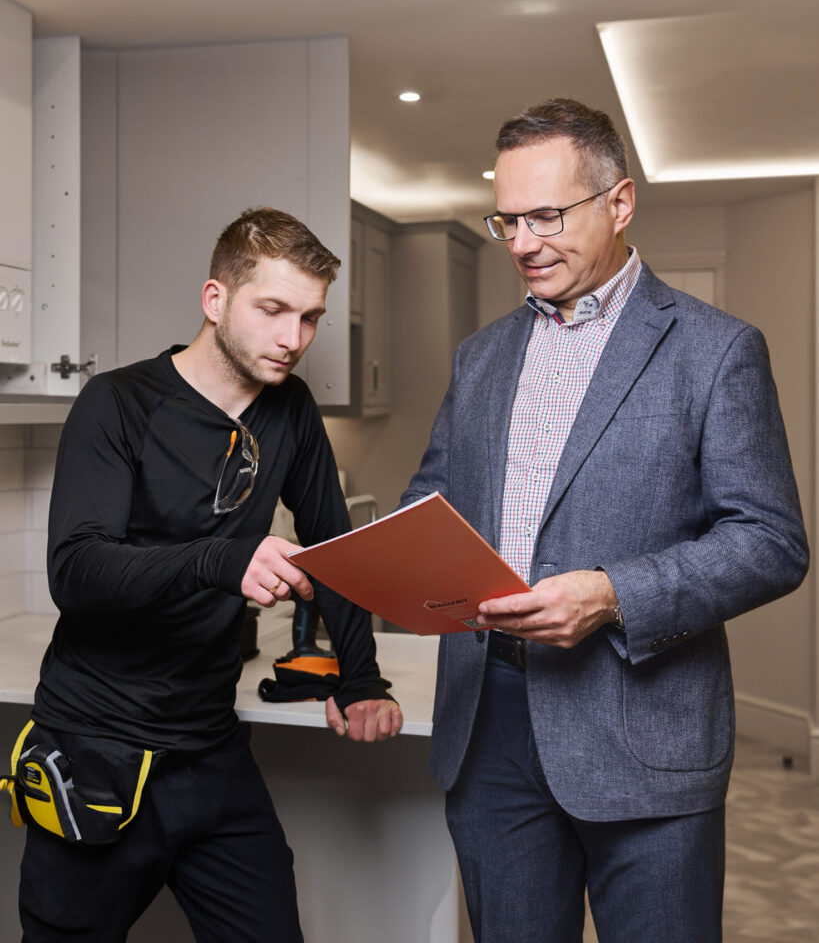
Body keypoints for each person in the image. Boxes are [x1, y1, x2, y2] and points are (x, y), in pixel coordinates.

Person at [400, 98, 808, 943]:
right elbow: (432, 502)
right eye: (507, 220)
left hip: (645, 734)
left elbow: (769, 541)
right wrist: (377, 560)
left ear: (618, 204)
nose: (522, 243)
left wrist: (612, 594)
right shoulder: (479, 357)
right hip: (488, 728)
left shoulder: (715, 349)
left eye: (546, 216)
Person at [17, 207, 403, 942]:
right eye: (273, 310)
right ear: (215, 299)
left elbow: (334, 547)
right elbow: (77, 568)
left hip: (209, 747)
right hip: (97, 744)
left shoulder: (290, 410)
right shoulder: (118, 403)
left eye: (310, 318)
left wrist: (361, 680)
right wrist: (220, 559)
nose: (294, 338)